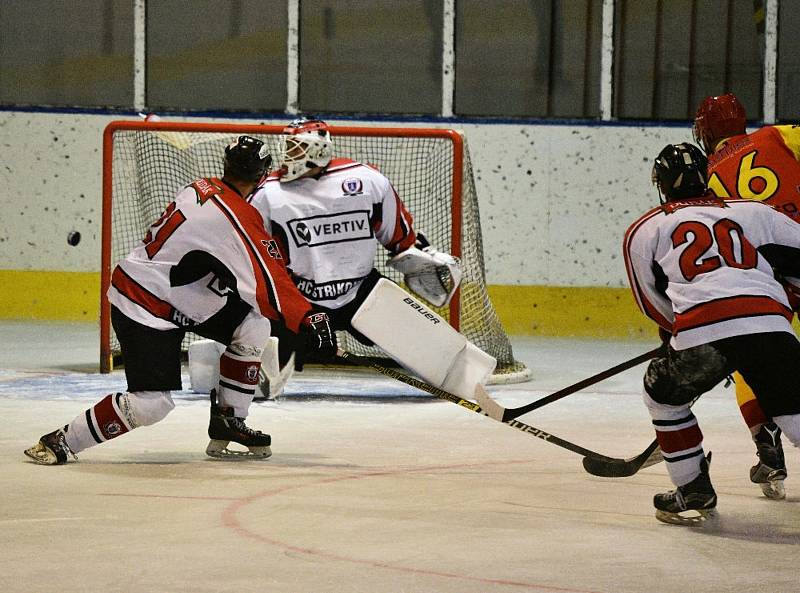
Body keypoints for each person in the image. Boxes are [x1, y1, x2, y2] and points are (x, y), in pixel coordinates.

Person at [24, 136, 336, 465]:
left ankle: (229, 420)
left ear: (226, 165)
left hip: (171, 292)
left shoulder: (200, 187)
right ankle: (62, 440)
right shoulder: (239, 219)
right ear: (261, 176)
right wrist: (308, 318)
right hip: (145, 306)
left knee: (253, 326)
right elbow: (270, 283)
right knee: (151, 404)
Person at [236, 118, 492, 401]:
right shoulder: (268, 194)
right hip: (301, 302)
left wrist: (418, 254)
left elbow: (397, 234)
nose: (288, 157)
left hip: (363, 293)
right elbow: (254, 253)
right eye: (288, 148)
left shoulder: (367, 180)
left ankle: (467, 376)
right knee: (256, 388)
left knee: (449, 365)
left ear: (319, 150)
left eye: (296, 149)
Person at [623, 142, 800, 525]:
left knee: (663, 397)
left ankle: (693, 489)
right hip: (769, 326)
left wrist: (680, 336)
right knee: (794, 412)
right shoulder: (754, 211)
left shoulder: (645, 227)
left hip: (702, 333)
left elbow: (651, 301)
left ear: (661, 183)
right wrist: (781, 309)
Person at [693, 93, 800, 498]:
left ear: (704, 131)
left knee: (750, 362)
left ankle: (767, 447)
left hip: (764, 278)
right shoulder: (776, 137)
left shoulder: (704, 174)